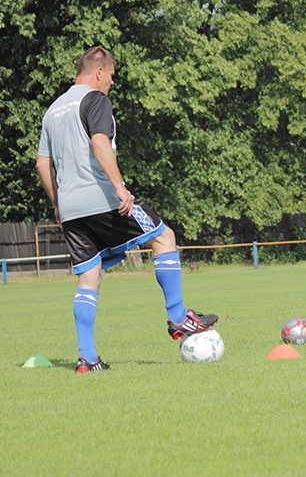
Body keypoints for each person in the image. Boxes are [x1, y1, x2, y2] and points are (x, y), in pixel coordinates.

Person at [35, 47, 217, 373]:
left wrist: (58, 206)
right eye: (112, 76)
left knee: (89, 278)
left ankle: (87, 357)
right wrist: (120, 187)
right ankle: (178, 318)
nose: (112, 83)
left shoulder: (52, 111)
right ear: (99, 72)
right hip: (104, 199)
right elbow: (100, 142)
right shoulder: (94, 100)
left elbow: (41, 164)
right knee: (165, 238)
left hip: (72, 210)